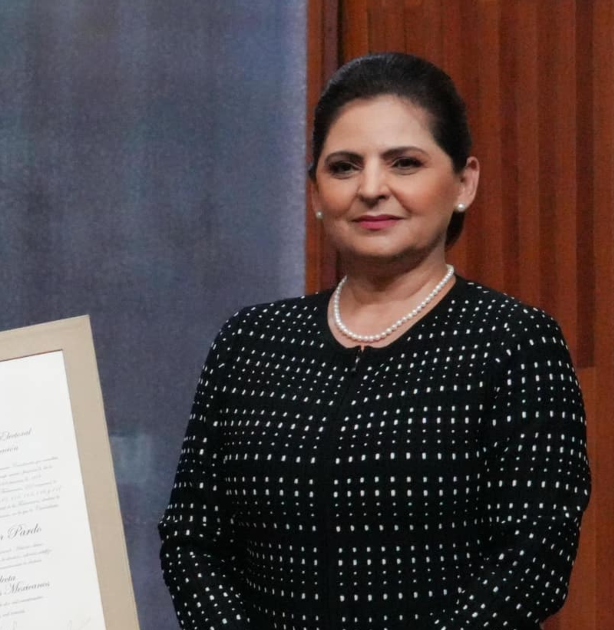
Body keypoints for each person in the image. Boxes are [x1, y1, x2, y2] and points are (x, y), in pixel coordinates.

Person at [159, 52, 590, 629]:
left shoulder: (514, 343)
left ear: (464, 182)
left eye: (404, 163)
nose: (371, 188)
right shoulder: (248, 343)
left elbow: (531, 561)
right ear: (315, 193)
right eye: (343, 167)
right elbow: (191, 538)